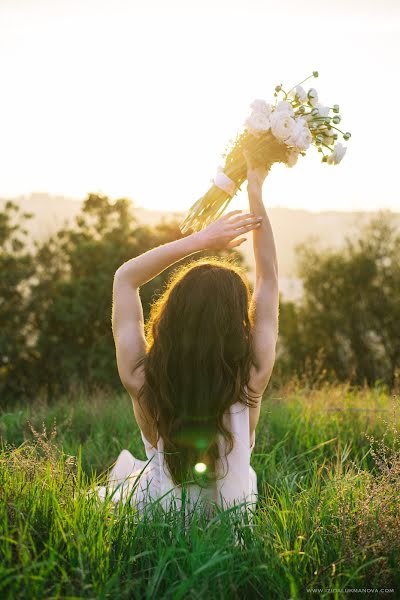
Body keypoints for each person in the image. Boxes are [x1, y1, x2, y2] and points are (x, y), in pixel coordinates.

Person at [95, 152, 279, 523]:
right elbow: (268, 279)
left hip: (160, 517)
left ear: (171, 316)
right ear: (236, 326)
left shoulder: (140, 377)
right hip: (231, 522)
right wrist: (255, 190)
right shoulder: (252, 376)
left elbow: (125, 278)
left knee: (131, 483)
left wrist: (201, 240)